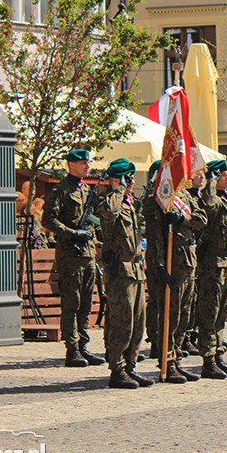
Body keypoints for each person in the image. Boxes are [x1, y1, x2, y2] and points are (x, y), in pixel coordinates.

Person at [143, 166, 208, 383]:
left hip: (188, 262)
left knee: (184, 315)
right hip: (171, 264)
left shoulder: (183, 197)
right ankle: (167, 361)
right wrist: (160, 266)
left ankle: (177, 358)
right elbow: (154, 239)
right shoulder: (158, 199)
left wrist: (182, 219)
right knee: (170, 315)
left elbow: (202, 219)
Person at [41, 149, 105, 368]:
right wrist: (72, 233)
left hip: (88, 255)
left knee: (86, 303)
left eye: (88, 162)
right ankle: (72, 349)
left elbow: (94, 220)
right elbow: (48, 219)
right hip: (70, 255)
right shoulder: (61, 190)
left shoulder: (87, 189)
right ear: (71, 165)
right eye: (83, 163)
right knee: (72, 303)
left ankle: (84, 346)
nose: (87, 166)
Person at [95, 158, 152, 389]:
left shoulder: (129, 203)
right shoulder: (110, 201)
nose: (132, 182)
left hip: (136, 268)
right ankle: (116, 369)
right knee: (122, 321)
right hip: (120, 270)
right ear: (117, 179)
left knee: (138, 321)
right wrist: (118, 187)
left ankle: (130, 366)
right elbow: (109, 212)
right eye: (129, 178)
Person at [193, 159, 227, 380]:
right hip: (212, 265)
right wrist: (210, 182)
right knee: (209, 313)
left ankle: (218, 356)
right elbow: (209, 207)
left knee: (222, 313)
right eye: (224, 175)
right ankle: (208, 359)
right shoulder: (210, 199)